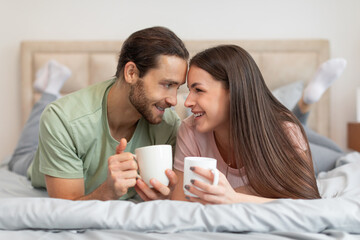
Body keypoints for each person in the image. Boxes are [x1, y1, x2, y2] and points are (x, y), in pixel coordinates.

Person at [9, 26, 189, 201]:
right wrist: (107, 193)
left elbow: (169, 195)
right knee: (19, 158)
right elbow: (65, 209)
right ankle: (49, 91)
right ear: (131, 72)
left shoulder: (169, 125)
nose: (174, 100)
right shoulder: (63, 119)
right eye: (167, 85)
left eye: (177, 87)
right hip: (33, 164)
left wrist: (166, 197)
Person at [171, 45, 346, 204]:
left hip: (284, 135)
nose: (187, 102)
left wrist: (234, 198)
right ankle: (302, 109)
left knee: (338, 155)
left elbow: (307, 202)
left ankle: (304, 105)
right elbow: (179, 204)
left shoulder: (285, 132)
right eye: (189, 91)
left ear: (233, 91)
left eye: (199, 90)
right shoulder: (190, 130)